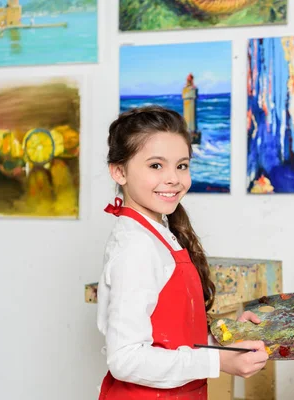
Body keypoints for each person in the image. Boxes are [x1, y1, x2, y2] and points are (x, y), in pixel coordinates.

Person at [96, 105, 269, 399]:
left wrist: (227, 341)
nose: (174, 178)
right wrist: (218, 361)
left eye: (182, 165)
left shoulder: (160, 234)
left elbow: (172, 336)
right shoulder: (135, 247)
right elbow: (125, 359)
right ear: (119, 171)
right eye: (155, 166)